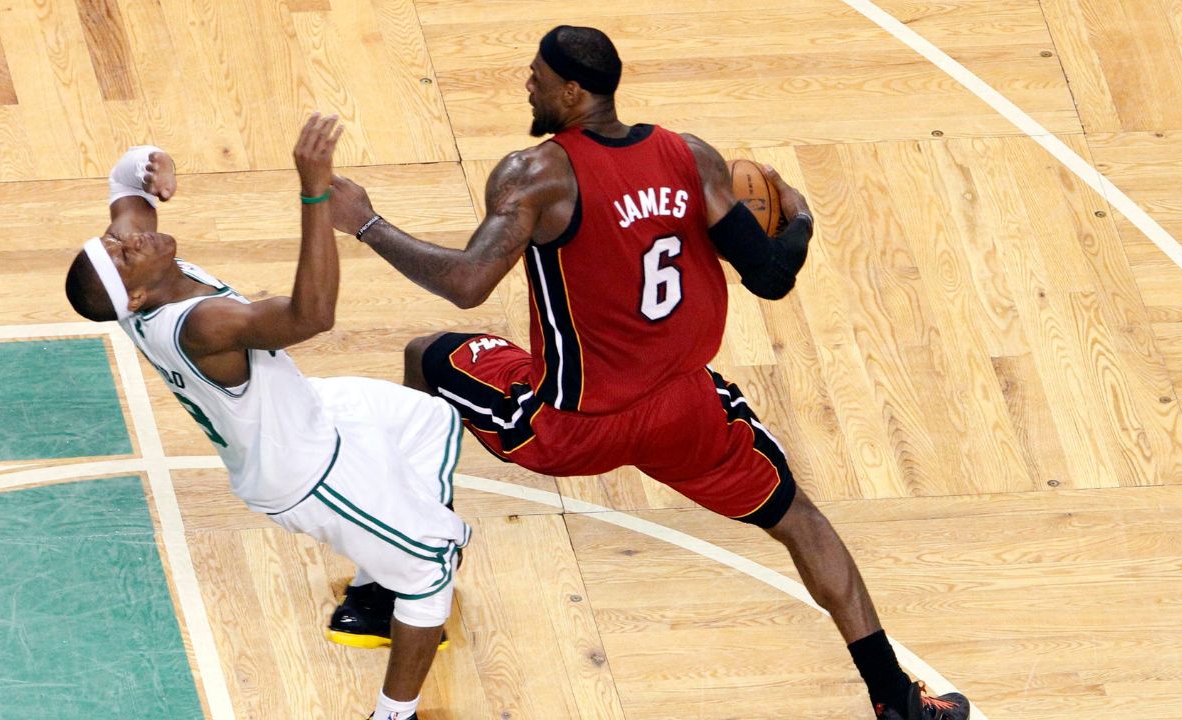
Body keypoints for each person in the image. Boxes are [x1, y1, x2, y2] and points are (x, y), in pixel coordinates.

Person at [327, 26, 972, 720]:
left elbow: (467, 283)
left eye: (537, 76)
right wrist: (803, 218)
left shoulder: (535, 176)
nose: (527, 84)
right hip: (686, 413)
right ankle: (897, 701)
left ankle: (391, 588)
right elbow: (772, 276)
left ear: (573, 91)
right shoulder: (690, 158)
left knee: (426, 357)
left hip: (572, 424)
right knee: (801, 522)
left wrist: (367, 223)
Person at [63, 113, 468, 720]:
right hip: (307, 471)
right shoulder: (201, 326)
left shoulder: (139, 275)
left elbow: (127, 187)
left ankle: (383, 577)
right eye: (125, 255)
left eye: (119, 241)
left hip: (308, 412)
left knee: (429, 421)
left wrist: (148, 160)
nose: (132, 239)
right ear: (136, 298)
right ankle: (395, 709)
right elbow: (313, 314)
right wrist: (314, 193)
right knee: (433, 569)